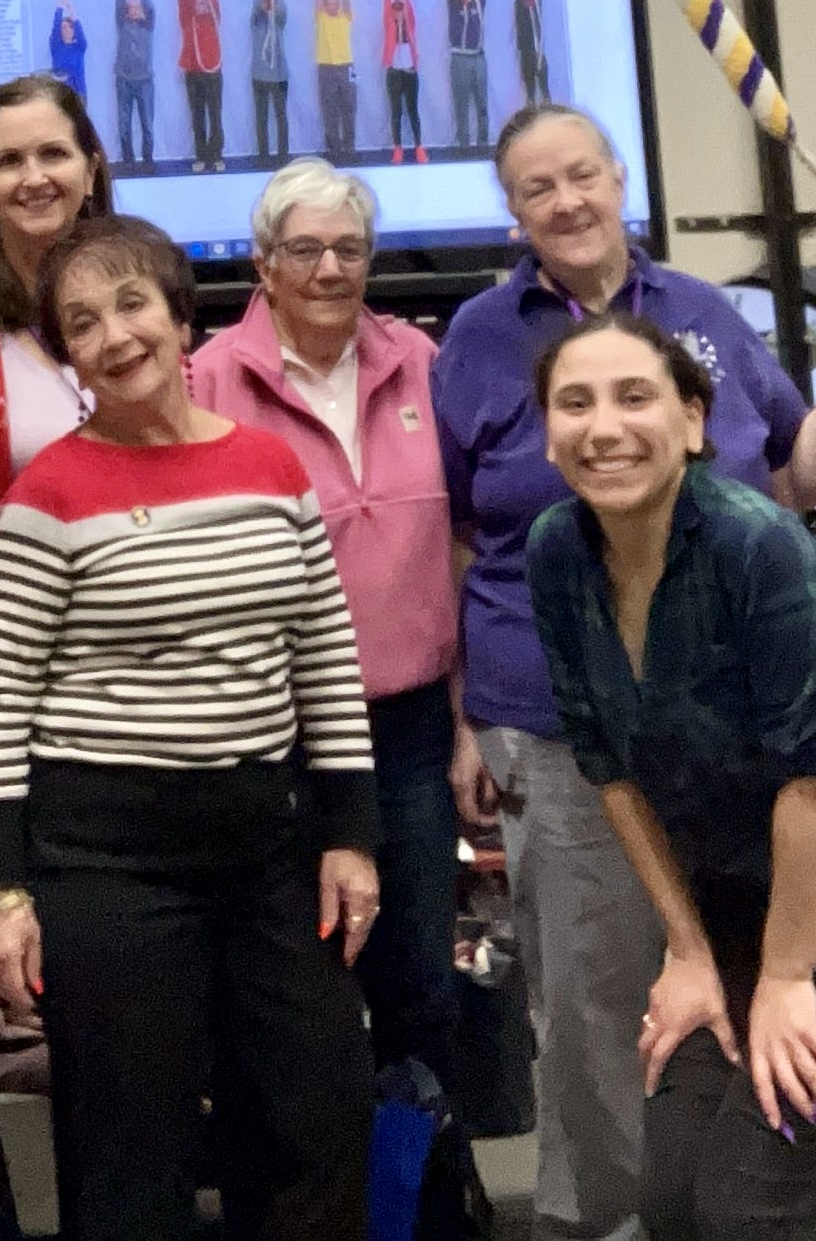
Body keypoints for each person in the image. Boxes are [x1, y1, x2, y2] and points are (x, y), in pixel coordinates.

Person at [432, 102, 816, 1241]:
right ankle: (601, 1222)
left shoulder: (699, 316)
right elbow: (451, 532)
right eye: (537, 187)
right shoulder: (477, 341)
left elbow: (796, 475)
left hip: (734, 734)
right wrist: (459, 719)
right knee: (594, 999)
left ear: (617, 179)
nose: (566, 201)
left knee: (767, 975)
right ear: (512, 211)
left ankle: (775, 1212)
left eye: (582, 175)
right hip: (553, 721)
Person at [0, 215, 382, 1241]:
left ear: (176, 313)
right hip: (107, 865)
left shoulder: (272, 468)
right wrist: (0, 892)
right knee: (128, 1149)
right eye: (80, 324)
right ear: (66, 356)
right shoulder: (45, 496)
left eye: (129, 304)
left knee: (310, 1117)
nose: (112, 337)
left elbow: (325, 660)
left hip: (268, 852)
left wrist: (351, 835)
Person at [527, 314, 816, 1241]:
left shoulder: (756, 548)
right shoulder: (557, 553)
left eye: (635, 397)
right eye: (575, 403)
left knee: (750, 1206)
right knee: (676, 1204)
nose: (603, 426)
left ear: (695, 423)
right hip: (735, 893)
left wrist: (783, 979)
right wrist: (688, 952)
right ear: (547, 432)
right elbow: (610, 769)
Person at [194, 160, 491, 1238]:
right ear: (261, 265)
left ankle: (420, 1210)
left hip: (407, 732)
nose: (329, 269)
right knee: (286, 1000)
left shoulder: (421, 362)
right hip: (269, 746)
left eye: (348, 250)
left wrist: (466, 719)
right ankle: (297, 1216)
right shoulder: (202, 386)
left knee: (418, 985)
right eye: (304, 251)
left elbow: (463, 551)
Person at [0, 74, 112, 486]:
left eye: (53, 154)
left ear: (90, 172)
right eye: (9, 161)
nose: (34, 178)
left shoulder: (144, 307)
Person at [179, 0, 226, 170]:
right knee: (197, 116)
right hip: (193, 73)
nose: (200, 4)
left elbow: (214, 0)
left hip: (213, 73)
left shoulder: (213, 20)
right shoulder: (188, 20)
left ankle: (216, 156)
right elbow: (182, 0)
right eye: (197, 2)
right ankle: (201, 157)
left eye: (202, 2)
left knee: (215, 115)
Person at [381, 0, 425, 165]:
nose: (398, 11)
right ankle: (397, 148)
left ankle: (419, 147)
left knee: (413, 111)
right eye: (395, 9)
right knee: (396, 112)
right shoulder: (389, 26)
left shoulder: (410, 26)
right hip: (394, 73)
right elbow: (386, 1)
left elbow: (406, 1)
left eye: (401, 9)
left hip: (409, 71)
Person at [445, 0, 488, 151]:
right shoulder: (453, 5)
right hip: (459, 59)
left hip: (478, 58)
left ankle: (483, 143)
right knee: (461, 104)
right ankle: (463, 145)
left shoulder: (479, 6)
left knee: (482, 103)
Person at [251, 0, 291, 163]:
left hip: (279, 75)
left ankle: (283, 155)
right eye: (266, 2)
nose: (267, 5)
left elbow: (284, 8)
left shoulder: (278, 21)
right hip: (259, 76)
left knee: (281, 116)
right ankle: (264, 155)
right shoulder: (256, 22)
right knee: (261, 117)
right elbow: (255, 3)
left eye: (270, 2)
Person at [315, 0, 357, 161]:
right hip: (326, 67)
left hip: (347, 66)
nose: (332, 7)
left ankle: (350, 147)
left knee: (349, 108)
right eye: (328, 3)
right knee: (329, 109)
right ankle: (333, 148)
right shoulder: (321, 17)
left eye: (335, 3)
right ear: (325, 5)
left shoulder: (345, 16)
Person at [114, 0, 156, 166]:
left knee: (147, 122)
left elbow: (150, 6)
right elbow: (119, 1)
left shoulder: (148, 25)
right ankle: (128, 160)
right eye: (132, 7)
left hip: (145, 81)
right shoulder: (122, 24)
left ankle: (148, 159)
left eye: (138, 7)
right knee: (124, 123)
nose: (135, 9)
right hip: (124, 80)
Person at [514, 0, 550, 109]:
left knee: (545, 90)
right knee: (530, 92)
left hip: (539, 52)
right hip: (527, 54)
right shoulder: (522, 11)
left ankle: (547, 115)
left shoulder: (536, 7)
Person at [49, 0, 89, 98]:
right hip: (60, 94)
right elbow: (55, 28)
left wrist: (70, 8)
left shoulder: (79, 46)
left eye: (66, 27)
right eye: (62, 28)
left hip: (78, 93)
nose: (64, 30)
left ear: (73, 30)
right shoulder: (56, 46)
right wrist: (60, 7)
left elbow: (79, 30)